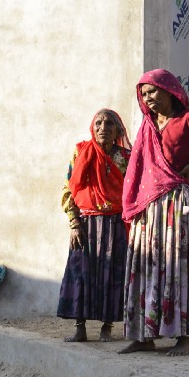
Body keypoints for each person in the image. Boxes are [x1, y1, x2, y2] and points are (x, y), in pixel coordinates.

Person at [120, 69, 189, 356]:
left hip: (174, 202)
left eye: (153, 91)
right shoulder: (147, 126)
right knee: (146, 265)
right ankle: (144, 335)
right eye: (143, 94)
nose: (148, 99)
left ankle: (183, 336)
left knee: (176, 264)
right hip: (148, 206)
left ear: (169, 90)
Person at [57, 109, 132, 342]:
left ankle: (106, 328)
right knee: (81, 272)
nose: (103, 127)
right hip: (85, 224)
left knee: (112, 274)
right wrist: (73, 223)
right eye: (98, 123)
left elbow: (133, 191)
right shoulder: (81, 152)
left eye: (109, 123)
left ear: (118, 130)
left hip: (115, 224)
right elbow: (69, 188)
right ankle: (80, 328)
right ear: (92, 127)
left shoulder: (126, 157)